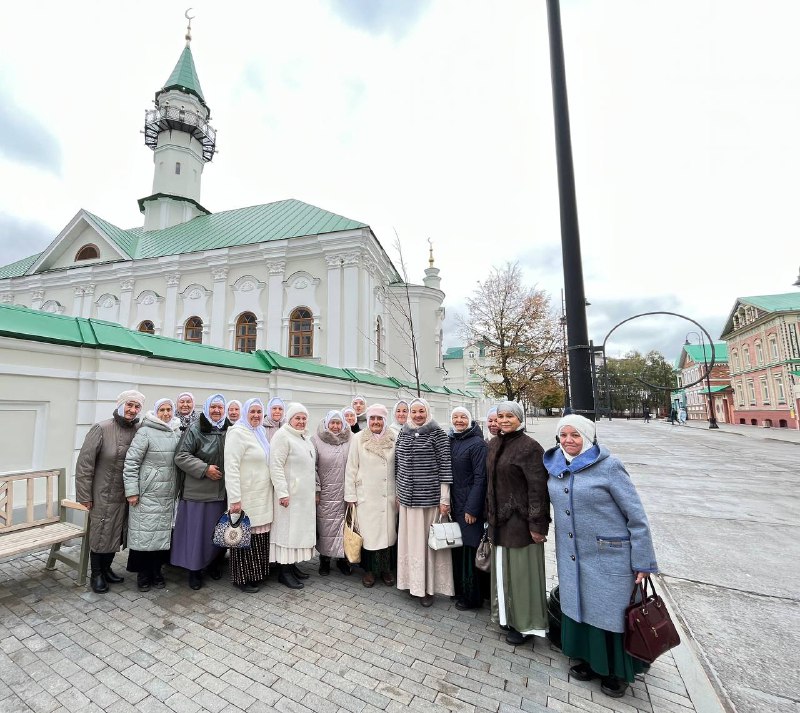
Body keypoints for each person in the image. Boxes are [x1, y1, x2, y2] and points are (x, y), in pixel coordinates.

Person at [543, 415, 658, 699]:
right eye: (564, 435)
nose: (568, 441)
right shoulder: (555, 466)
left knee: (612, 615)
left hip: (610, 555)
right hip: (574, 556)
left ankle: (618, 672)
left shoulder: (609, 466)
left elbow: (636, 516)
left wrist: (642, 560)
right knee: (581, 609)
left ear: (588, 437)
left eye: (575, 435)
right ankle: (590, 661)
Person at [485, 401, 549, 646]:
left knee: (523, 575)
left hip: (521, 524)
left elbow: (538, 489)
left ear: (519, 418)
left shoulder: (530, 447)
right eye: (500, 416)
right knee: (503, 572)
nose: (503, 420)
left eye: (509, 416)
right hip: (499, 522)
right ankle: (505, 616)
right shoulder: (495, 443)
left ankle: (525, 623)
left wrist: (537, 524)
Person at [76, 390, 145, 593]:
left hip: (125, 494)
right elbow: (85, 464)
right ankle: (96, 574)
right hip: (101, 493)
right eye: (129, 405)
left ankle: (106, 569)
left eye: (137, 406)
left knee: (116, 532)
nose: (132, 410)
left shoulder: (138, 431)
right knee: (100, 533)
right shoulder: (102, 428)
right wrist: (84, 495)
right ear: (120, 405)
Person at [395, 398, 454, 607]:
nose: (418, 415)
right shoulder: (404, 431)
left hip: (428, 499)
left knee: (426, 545)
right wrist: (398, 491)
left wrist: (444, 499)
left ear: (427, 412)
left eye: (421, 411)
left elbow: (445, 467)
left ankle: (427, 588)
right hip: (407, 499)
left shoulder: (437, 433)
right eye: (414, 411)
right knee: (411, 544)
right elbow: (398, 463)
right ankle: (411, 583)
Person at [172, 393, 229, 590]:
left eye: (220, 407)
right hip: (199, 492)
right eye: (213, 407)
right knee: (197, 535)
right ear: (206, 408)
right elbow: (181, 456)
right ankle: (194, 570)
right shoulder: (196, 428)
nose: (216, 410)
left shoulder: (229, 428)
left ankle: (213, 564)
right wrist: (205, 469)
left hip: (222, 493)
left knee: (217, 533)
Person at [123, 397, 180, 591]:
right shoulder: (145, 432)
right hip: (148, 493)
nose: (166, 413)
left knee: (161, 535)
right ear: (155, 412)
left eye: (169, 410)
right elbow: (131, 463)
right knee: (145, 536)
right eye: (162, 410)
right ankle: (143, 574)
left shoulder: (176, 431)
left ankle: (157, 572)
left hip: (168, 494)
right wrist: (132, 491)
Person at [345, 404, 398, 588]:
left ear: (385, 420)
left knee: (388, 533)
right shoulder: (359, 439)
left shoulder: (394, 437)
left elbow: (400, 468)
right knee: (370, 535)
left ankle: (386, 570)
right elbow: (351, 468)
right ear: (368, 420)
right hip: (366, 495)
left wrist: (399, 494)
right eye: (373, 418)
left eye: (379, 418)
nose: (376, 422)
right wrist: (350, 496)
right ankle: (369, 570)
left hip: (388, 495)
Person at [224, 398, 274, 593]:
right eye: (252, 412)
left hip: (261, 494)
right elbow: (232, 467)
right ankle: (242, 577)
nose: (256, 415)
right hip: (245, 494)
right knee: (244, 535)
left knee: (258, 536)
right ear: (245, 413)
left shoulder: (260, 432)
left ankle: (257, 574)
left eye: (259, 412)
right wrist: (235, 498)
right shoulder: (237, 433)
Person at [269, 403, 317, 589]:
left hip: (302, 497)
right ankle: (284, 572)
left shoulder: (304, 437)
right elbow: (276, 466)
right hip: (288, 496)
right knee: (286, 533)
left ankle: (292, 565)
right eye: (297, 418)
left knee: (296, 532)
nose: (301, 421)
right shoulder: (282, 436)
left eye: (304, 418)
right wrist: (282, 492)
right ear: (289, 419)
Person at [448, 407, 488, 610]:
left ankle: (473, 597)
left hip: (469, 505)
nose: (459, 420)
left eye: (463, 417)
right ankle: (460, 590)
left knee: (469, 550)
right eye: (455, 417)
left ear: (470, 420)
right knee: (459, 548)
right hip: (456, 502)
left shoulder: (477, 444)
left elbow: (481, 478)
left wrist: (472, 509)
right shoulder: (453, 440)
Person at [311, 410, 353, 576]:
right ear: (327, 423)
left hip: (346, 492)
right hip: (326, 493)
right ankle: (325, 559)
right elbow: (312, 467)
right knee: (326, 527)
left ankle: (342, 559)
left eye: (338, 423)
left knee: (344, 527)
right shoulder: (316, 440)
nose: (335, 426)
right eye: (332, 423)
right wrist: (316, 489)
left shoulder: (350, 440)